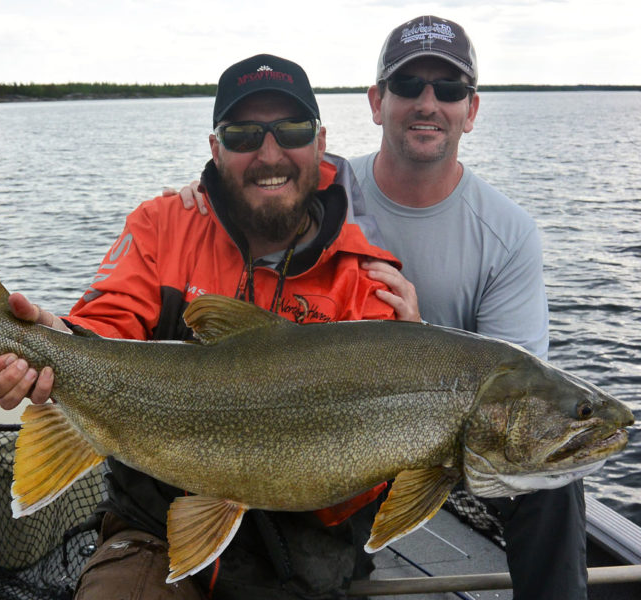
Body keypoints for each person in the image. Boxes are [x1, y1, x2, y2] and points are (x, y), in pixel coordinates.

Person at [179, 16, 586, 600]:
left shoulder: (508, 233)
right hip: (336, 425)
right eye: (408, 86)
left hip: (451, 437)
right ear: (376, 102)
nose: (428, 103)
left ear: (471, 110)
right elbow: (253, 175)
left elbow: (516, 390)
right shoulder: (326, 184)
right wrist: (199, 192)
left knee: (554, 486)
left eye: (449, 90)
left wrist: (419, 336)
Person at [0, 54, 411, 599]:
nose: (270, 153)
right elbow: (103, 323)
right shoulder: (164, 226)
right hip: (152, 531)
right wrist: (50, 340)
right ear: (216, 149)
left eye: (292, 130)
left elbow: (350, 498)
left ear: (320, 143)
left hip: (303, 560)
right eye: (244, 134)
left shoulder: (368, 281)